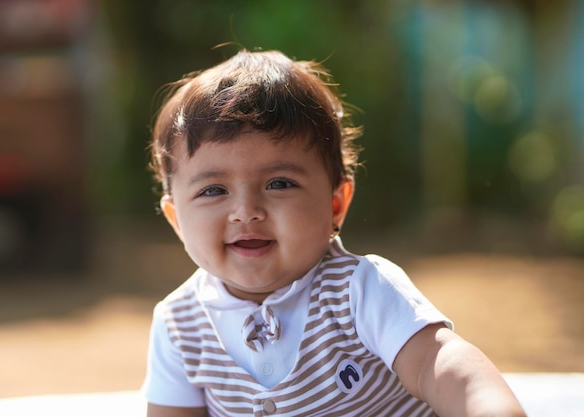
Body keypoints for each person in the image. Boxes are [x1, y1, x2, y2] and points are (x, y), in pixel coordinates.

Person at [142, 49, 527, 417]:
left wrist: (488, 408)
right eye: (213, 190)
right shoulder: (179, 325)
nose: (246, 212)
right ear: (176, 219)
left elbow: (436, 365)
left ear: (336, 204)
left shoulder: (360, 290)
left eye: (279, 183)